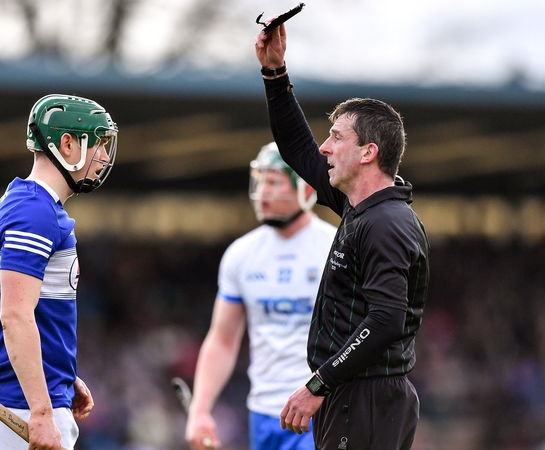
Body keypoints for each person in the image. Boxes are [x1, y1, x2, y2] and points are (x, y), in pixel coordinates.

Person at [254, 20, 431, 450]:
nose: (325, 147)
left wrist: (319, 383)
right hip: (355, 393)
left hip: (365, 397)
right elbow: (297, 149)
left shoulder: (386, 223)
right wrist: (275, 73)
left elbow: (386, 319)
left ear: (368, 152)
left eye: (336, 137)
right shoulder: (359, 205)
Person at [0, 94, 118, 450]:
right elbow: (15, 316)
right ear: (67, 144)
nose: (104, 156)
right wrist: (40, 409)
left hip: (23, 397)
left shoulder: (26, 203)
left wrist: (59, 374)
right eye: (97, 143)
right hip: (20, 404)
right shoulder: (35, 212)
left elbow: (35, 308)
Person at [185, 143, 337, 450]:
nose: (264, 192)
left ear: (306, 188)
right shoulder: (241, 254)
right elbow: (222, 339)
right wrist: (200, 410)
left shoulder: (336, 247)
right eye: (261, 181)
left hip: (322, 410)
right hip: (264, 413)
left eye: (274, 182)